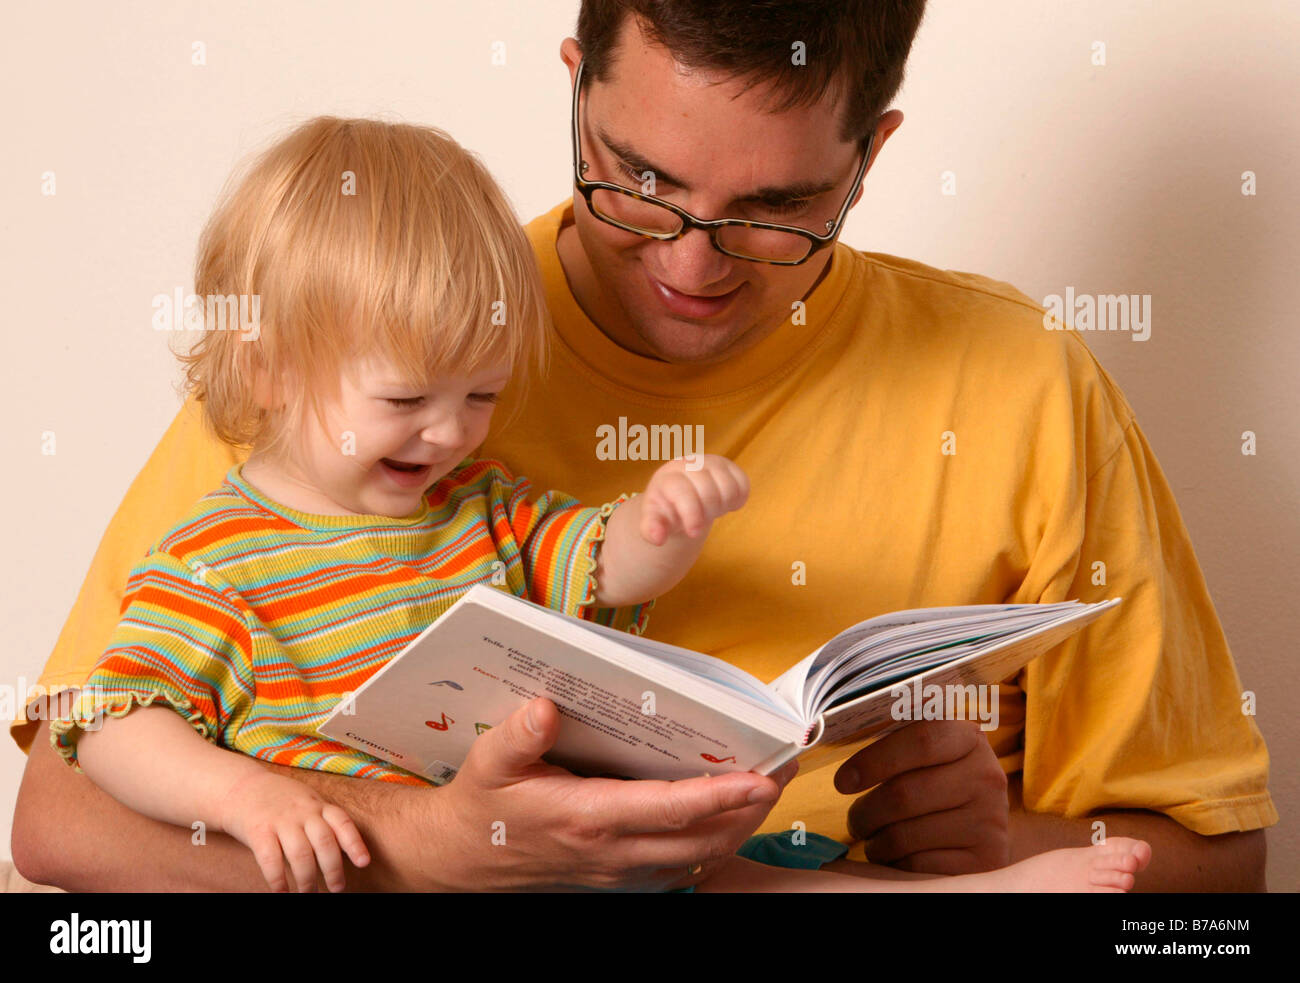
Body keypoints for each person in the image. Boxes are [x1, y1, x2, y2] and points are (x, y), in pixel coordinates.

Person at [11, 1, 1272, 893]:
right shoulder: (356, 337)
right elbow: (64, 813)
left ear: (871, 155)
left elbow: (1224, 856)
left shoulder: (1023, 382)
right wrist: (431, 846)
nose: (690, 264)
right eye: (639, 178)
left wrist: (1000, 840)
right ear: (575, 83)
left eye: (776, 211)